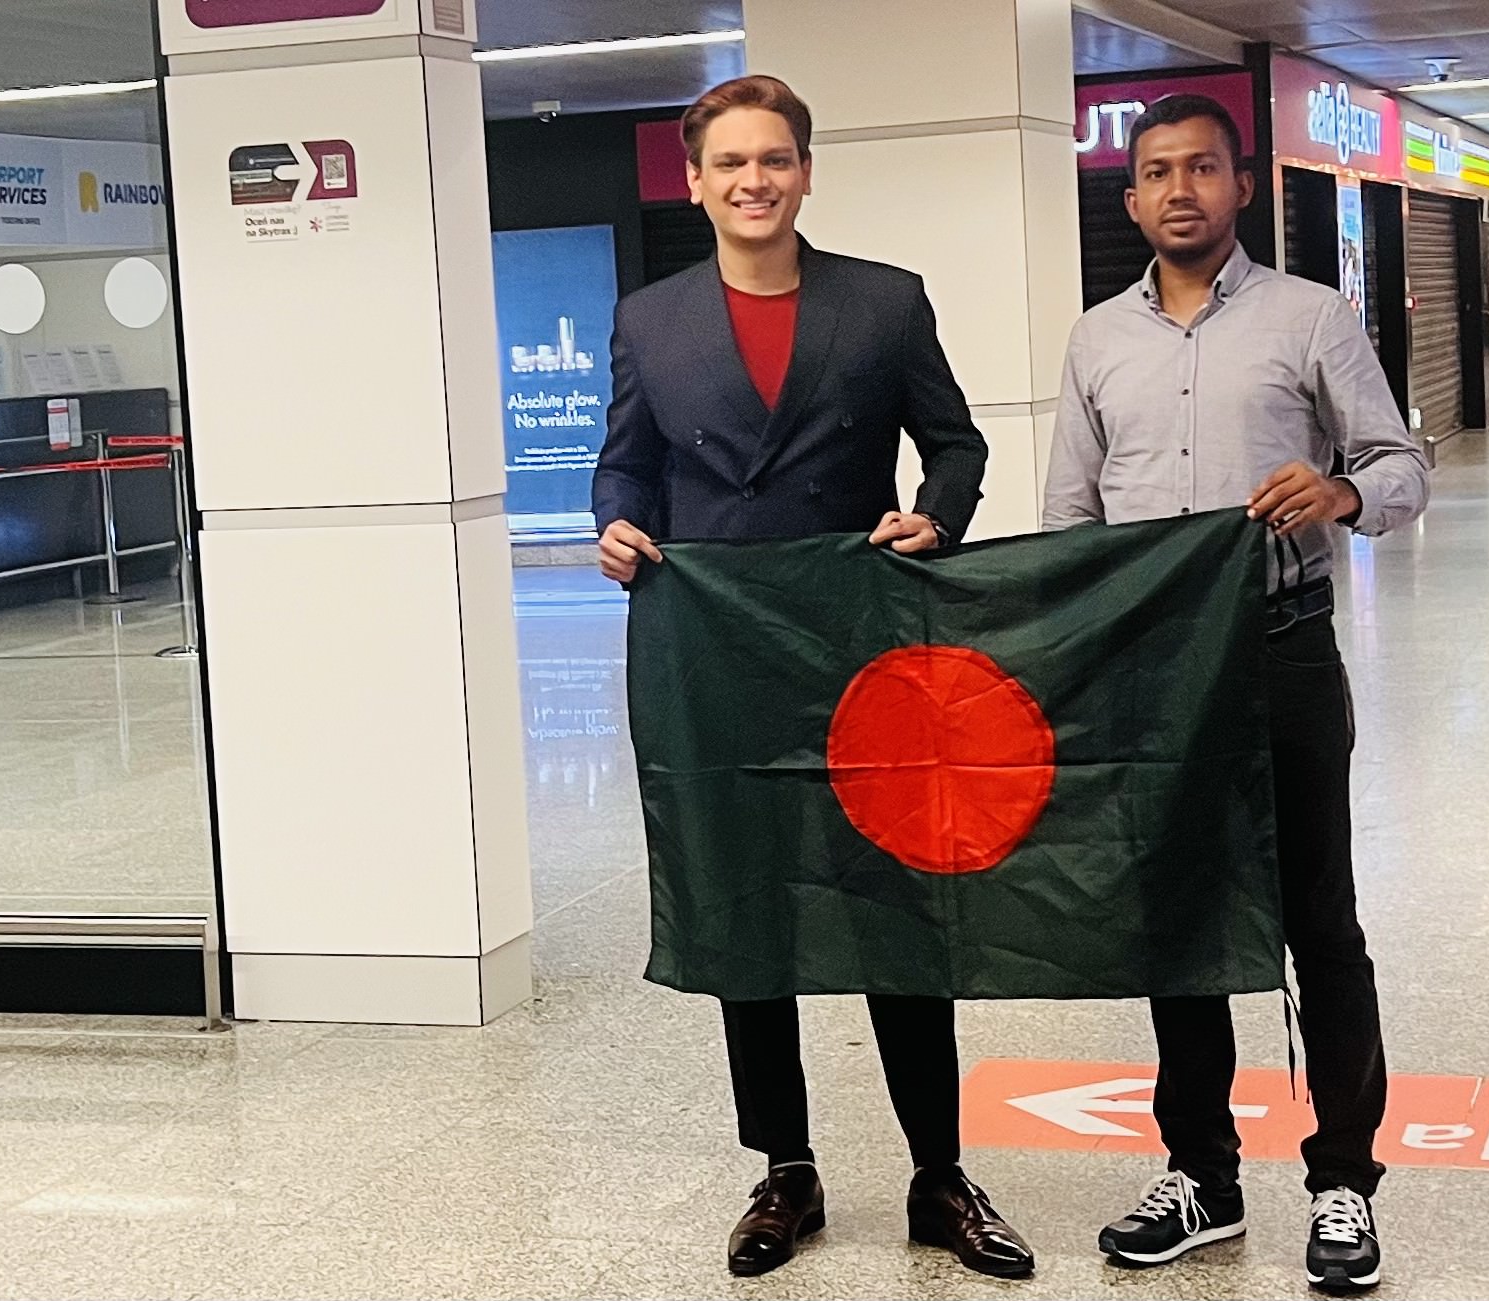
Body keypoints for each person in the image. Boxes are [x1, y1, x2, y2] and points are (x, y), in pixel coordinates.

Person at [592, 74, 1033, 1282]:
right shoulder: (650, 320)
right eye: (730, 163)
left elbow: (956, 443)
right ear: (694, 182)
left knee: (898, 900)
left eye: (774, 159)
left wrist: (935, 515)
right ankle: (785, 1168)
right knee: (748, 907)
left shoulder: (883, 302)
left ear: (804, 171)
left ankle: (939, 1170)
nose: (754, 181)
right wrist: (614, 522)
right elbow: (624, 465)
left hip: (862, 648)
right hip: (718, 655)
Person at [1042, 93, 1431, 1294]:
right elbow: (1069, 517)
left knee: (1320, 919)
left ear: (1241, 186)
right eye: (1157, 172)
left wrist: (1341, 493)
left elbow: (1400, 463)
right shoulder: (1095, 339)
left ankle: (1343, 1179)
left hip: (1280, 650)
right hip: (1151, 671)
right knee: (1178, 919)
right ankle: (1200, 1175)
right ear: (1129, 199)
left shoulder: (1309, 316)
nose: (1180, 189)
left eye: (1202, 168)